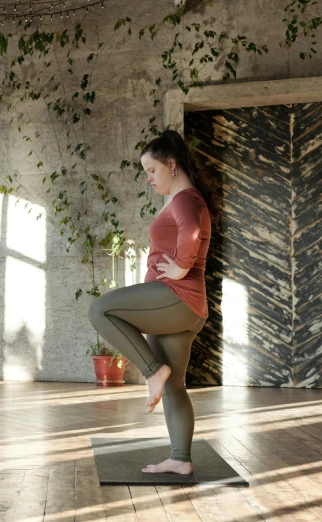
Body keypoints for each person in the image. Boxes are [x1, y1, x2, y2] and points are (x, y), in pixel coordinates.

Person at [88, 129, 220, 475]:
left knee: (99, 309)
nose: (148, 177)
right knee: (175, 387)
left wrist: (179, 268)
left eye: (151, 170)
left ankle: (151, 371)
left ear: (171, 164)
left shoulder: (184, 199)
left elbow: (190, 231)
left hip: (176, 299)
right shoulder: (185, 198)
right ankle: (180, 458)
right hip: (187, 310)